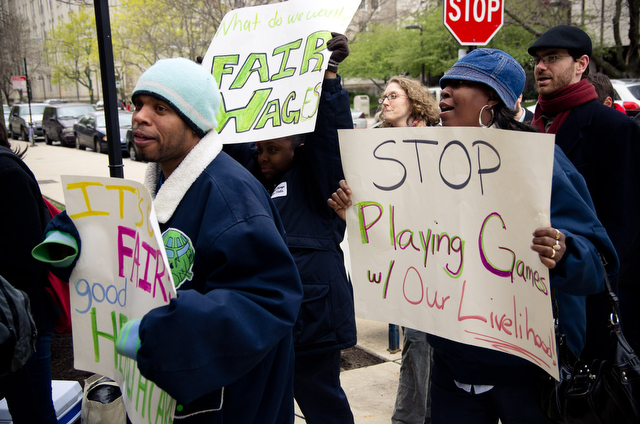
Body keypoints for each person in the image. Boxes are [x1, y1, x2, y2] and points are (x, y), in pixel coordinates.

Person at [329, 48, 620, 424]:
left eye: (463, 84)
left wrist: (564, 251)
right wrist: (358, 215)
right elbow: (413, 241)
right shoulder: (421, 160)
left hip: (525, 371)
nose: (445, 92)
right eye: (445, 84)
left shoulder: (537, 163)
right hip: (452, 365)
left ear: (493, 100)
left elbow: (600, 261)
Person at [37, 58, 304, 423]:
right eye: (139, 104)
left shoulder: (231, 197)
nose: (140, 117)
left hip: (230, 407)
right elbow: (124, 223)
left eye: (160, 108)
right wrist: (72, 233)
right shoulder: (157, 184)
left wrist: (164, 333)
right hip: (163, 399)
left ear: (194, 124)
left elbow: (269, 301)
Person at [223, 33, 357, 424]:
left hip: (313, 314)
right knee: (270, 404)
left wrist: (329, 78)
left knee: (322, 403)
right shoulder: (254, 175)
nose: (263, 157)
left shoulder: (318, 183)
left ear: (297, 145)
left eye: (273, 150)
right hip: (266, 312)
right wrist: (222, 90)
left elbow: (330, 142)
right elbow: (231, 144)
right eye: (259, 149)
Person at [528, 25, 640, 355]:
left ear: (581, 64)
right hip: (536, 288)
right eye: (536, 60)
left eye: (552, 58)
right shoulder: (530, 128)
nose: (540, 67)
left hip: (593, 296)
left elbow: (624, 223)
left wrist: (586, 269)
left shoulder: (614, 129)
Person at [373, 75, 439, 424]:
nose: (385, 101)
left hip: (437, 257)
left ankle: (414, 417)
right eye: (384, 96)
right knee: (417, 342)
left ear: (413, 101)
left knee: (423, 342)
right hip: (403, 258)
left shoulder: (436, 142)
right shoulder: (377, 144)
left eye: (394, 95)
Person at [0, 123, 59, 423]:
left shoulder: (7, 173)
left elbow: (28, 261)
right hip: (12, 320)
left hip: (24, 324)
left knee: (33, 413)